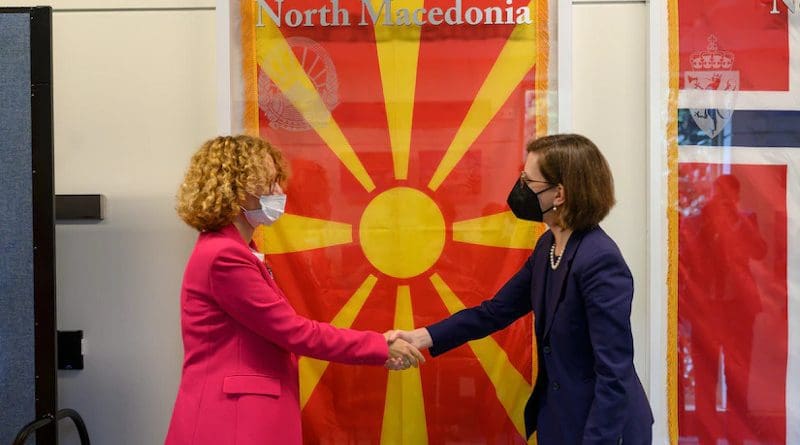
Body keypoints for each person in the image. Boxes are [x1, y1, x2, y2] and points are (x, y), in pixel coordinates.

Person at [393, 134, 653, 444]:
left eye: (528, 181)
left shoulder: (600, 260)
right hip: (559, 417)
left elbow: (614, 372)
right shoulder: (548, 246)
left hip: (601, 426)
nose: (520, 188)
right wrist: (421, 337)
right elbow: (494, 312)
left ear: (559, 195)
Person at [165, 135, 423, 445]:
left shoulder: (235, 250)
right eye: (269, 182)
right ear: (236, 189)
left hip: (239, 414)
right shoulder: (225, 256)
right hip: (234, 419)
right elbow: (295, 333)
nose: (278, 192)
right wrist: (379, 346)